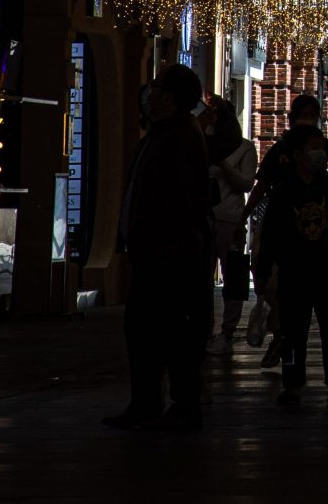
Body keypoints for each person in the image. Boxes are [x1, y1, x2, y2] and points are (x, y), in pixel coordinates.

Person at [108, 63, 214, 431]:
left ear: (168, 98)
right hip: (158, 251)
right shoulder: (164, 133)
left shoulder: (178, 138)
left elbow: (180, 200)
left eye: (155, 87)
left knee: (162, 333)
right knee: (149, 332)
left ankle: (173, 405)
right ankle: (152, 403)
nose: (148, 93)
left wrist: (164, 246)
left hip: (167, 256)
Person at [255, 123, 328, 406]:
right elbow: (270, 236)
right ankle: (292, 385)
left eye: (321, 148)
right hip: (294, 270)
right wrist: (262, 272)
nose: (319, 153)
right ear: (297, 154)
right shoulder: (284, 192)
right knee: (292, 330)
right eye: (313, 148)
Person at [202, 96, 257, 356]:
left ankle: (227, 332)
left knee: (233, 277)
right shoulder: (203, 145)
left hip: (230, 219)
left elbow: (246, 184)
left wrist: (224, 164)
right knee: (200, 278)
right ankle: (203, 330)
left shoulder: (244, 148)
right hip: (203, 218)